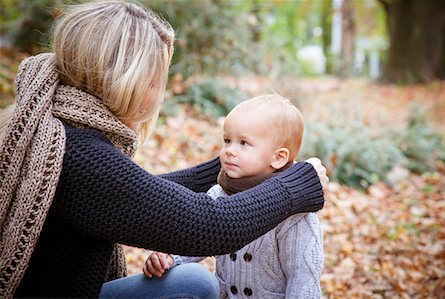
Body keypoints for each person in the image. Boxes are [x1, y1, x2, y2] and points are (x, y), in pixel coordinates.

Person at [0, 1, 328, 299]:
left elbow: (138, 193)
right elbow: (209, 226)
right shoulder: (81, 155)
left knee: (193, 281)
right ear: (126, 79)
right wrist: (298, 183)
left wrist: (236, 165)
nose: (159, 94)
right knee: (195, 285)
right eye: (155, 80)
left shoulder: (51, 129)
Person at [144, 94, 324, 298]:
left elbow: (303, 281)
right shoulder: (219, 193)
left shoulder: (295, 216)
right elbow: (200, 237)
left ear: (278, 157)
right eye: (227, 141)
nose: (229, 150)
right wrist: (170, 257)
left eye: (244, 143)